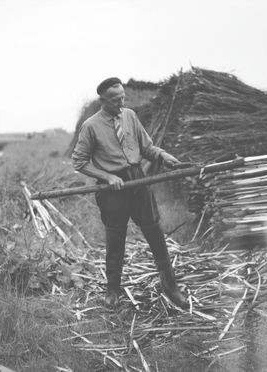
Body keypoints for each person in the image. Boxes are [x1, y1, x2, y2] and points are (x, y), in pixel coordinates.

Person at [72, 77, 188, 309]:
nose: (121, 103)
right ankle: (113, 291)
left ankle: (171, 286)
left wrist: (163, 156)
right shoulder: (91, 126)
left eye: (123, 97)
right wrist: (107, 176)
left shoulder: (130, 116)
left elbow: (147, 148)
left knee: (155, 233)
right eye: (116, 100)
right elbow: (79, 161)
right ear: (103, 100)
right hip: (112, 189)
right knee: (115, 239)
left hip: (138, 180)